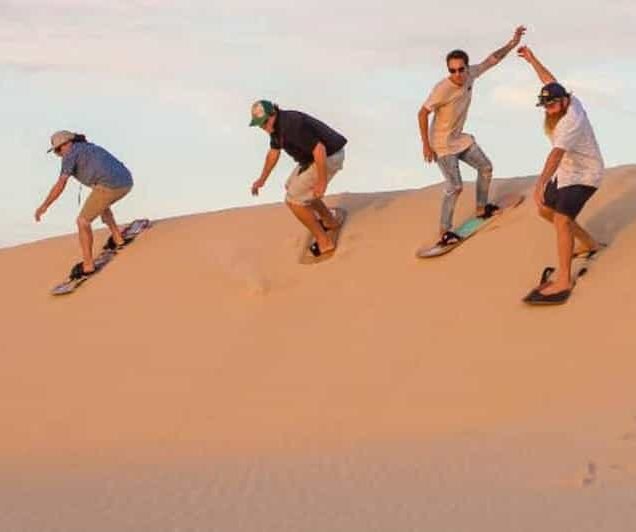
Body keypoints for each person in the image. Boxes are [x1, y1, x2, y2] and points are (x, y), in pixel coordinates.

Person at [418, 26, 526, 247]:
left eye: (460, 69)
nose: (457, 74)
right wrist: (426, 146)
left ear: (467, 67)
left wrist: (512, 43)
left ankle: (481, 207)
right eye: (452, 70)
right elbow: (422, 113)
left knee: (485, 168)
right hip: (442, 145)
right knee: (455, 187)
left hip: (459, 140)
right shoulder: (442, 89)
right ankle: (444, 232)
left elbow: (492, 59)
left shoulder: (471, 75)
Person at [518, 46, 604, 302]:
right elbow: (549, 80)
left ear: (565, 101)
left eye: (554, 105)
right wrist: (532, 60)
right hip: (567, 172)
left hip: (585, 174)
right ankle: (589, 243)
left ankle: (564, 280)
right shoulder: (563, 98)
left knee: (561, 220)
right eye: (546, 106)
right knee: (545, 209)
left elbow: (555, 155)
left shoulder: (571, 121)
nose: (550, 110)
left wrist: (540, 183)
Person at [249, 100, 347, 257]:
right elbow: (274, 153)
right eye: (260, 124)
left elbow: (319, 150)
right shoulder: (276, 127)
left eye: (265, 121)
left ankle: (325, 242)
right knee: (291, 188)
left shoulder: (291, 125)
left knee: (293, 201)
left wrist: (322, 183)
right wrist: (262, 180)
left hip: (329, 156)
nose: (264, 127)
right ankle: (329, 220)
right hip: (315, 158)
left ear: (273, 113)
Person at [35, 131, 134, 279]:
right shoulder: (89, 146)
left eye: (58, 149)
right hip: (126, 181)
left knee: (82, 222)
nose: (58, 154)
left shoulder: (70, 155)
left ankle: (88, 266)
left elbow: (61, 184)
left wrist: (44, 206)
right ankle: (118, 238)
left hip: (110, 187)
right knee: (100, 202)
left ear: (67, 144)